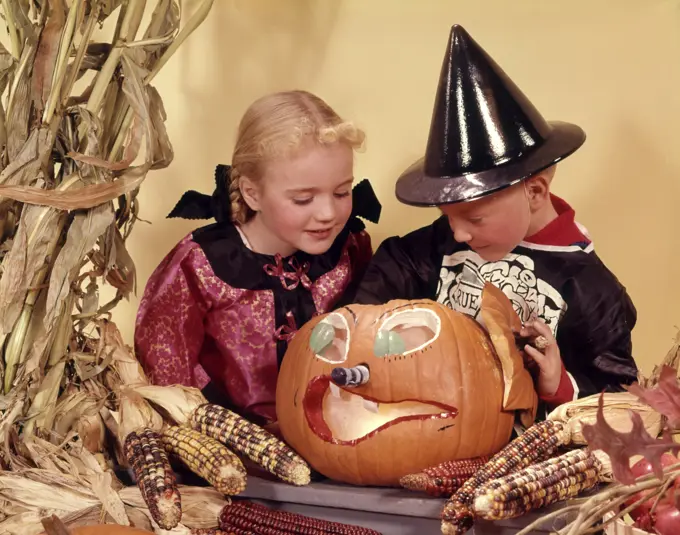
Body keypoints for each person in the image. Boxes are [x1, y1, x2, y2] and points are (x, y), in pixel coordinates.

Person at [352, 25, 638, 415]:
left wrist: (559, 383)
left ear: (534, 192)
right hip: (431, 425)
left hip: (518, 451)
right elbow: (396, 265)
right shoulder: (443, 243)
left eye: (474, 217)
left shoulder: (592, 292)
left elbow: (619, 395)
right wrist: (370, 330)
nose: (458, 232)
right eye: (447, 216)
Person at [134, 90, 381, 427]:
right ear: (252, 193)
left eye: (341, 192)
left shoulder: (350, 248)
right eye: (303, 199)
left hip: (335, 434)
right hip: (228, 443)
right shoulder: (203, 265)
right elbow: (165, 365)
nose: (328, 213)